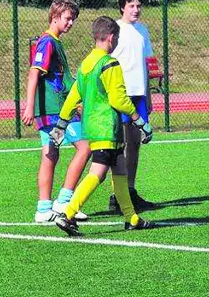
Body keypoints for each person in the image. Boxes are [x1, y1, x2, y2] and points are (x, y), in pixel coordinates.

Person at [50, 16, 155, 237]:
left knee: (120, 169)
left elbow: (73, 96)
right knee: (98, 172)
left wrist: (61, 124)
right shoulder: (110, 63)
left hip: (94, 127)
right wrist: (140, 121)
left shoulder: (86, 64)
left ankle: (131, 218)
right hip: (107, 127)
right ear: (111, 37)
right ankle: (67, 213)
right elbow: (118, 99)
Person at [22, 0, 91, 223]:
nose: (71, 23)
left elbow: (63, 79)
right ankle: (64, 201)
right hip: (53, 111)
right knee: (84, 147)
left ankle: (43, 208)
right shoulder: (47, 42)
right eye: (68, 18)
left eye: (73, 19)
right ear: (55, 16)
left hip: (57, 109)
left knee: (51, 154)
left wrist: (78, 102)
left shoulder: (56, 42)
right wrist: (30, 106)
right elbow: (34, 73)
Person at [108, 0, 157, 213]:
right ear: (122, 7)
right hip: (122, 95)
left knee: (136, 143)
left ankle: (130, 189)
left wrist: (148, 96)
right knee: (121, 145)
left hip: (139, 96)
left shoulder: (142, 30)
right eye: (131, 6)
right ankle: (116, 196)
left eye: (138, 6)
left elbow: (145, 65)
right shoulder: (115, 30)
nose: (136, 10)